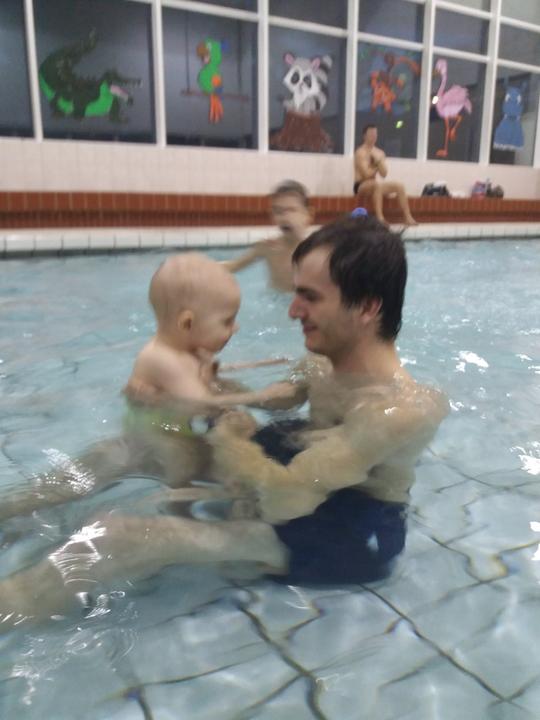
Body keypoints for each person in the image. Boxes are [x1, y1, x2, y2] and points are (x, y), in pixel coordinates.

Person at [0, 216, 447, 629]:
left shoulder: (399, 410)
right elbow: (269, 400)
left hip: (345, 530)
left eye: (309, 297)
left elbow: (286, 499)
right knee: (130, 450)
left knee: (121, 536)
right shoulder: (320, 366)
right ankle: (9, 511)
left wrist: (229, 438)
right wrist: (190, 393)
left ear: (367, 307)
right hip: (302, 471)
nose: (292, 310)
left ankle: (11, 604)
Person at [0, 253, 290, 523]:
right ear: (187, 322)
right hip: (148, 444)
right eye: (227, 321)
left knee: (221, 467)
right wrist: (260, 396)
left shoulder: (190, 348)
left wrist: (254, 365)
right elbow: (200, 403)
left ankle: (188, 512)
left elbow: (207, 374)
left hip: (175, 435)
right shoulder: (161, 358)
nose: (235, 328)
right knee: (60, 492)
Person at [222, 180, 313, 292]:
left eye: (291, 210)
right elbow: (233, 266)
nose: (284, 217)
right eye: (278, 211)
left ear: (308, 214)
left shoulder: (315, 252)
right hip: (273, 300)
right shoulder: (268, 248)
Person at [354, 124, 417, 227]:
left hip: (374, 184)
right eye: (371, 134)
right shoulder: (360, 152)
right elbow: (365, 174)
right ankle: (380, 218)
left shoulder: (379, 153)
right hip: (361, 185)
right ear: (364, 136)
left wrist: (378, 161)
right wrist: (376, 165)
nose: (374, 136)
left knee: (399, 186)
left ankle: (408, 217)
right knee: (377, 185)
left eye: (375, 134)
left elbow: (384, 174)